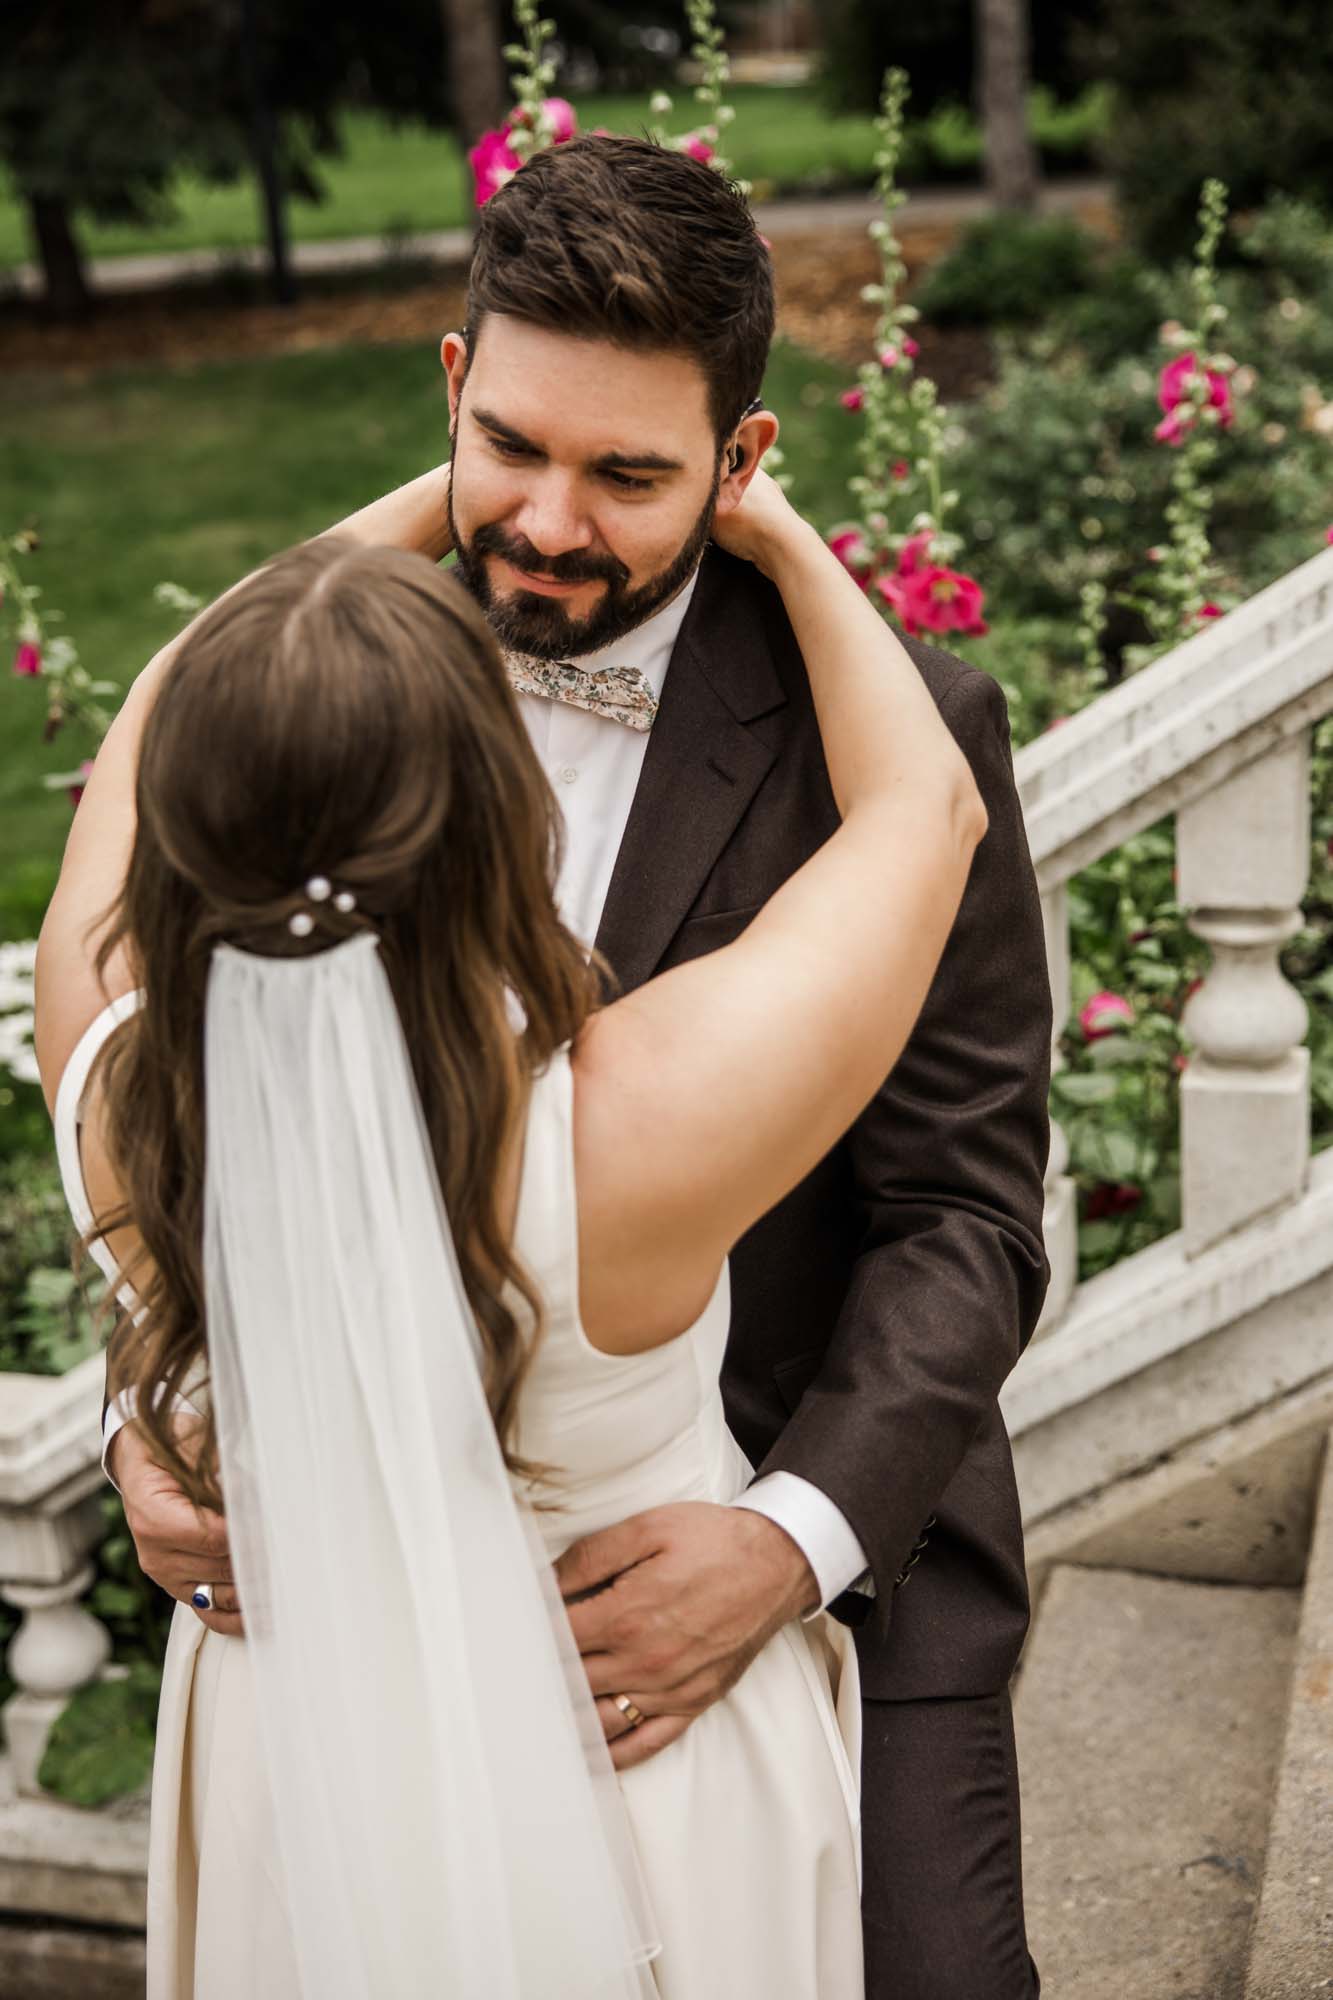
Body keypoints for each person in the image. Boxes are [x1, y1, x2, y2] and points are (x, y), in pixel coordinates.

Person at [86, 136, 1052, 1996]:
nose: (543, 523)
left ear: (742, 461)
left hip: (798, 1522)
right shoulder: (308, 704)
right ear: (448, 384)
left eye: (628, 476)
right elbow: (213, 1101)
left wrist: (784, 1545)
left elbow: (963, 1214)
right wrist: (166, 1420)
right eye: (510, 444)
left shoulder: (903, 732)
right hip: (352, 1600)